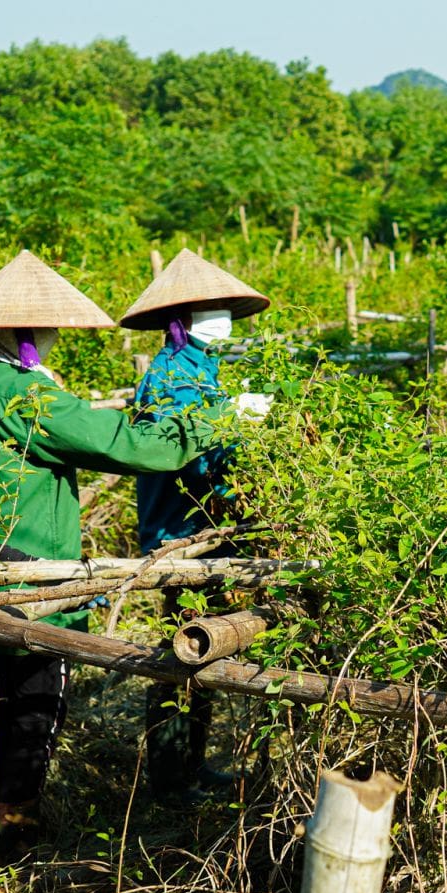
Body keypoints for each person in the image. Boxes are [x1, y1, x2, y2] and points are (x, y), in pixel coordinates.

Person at [0, 250, 241, 829]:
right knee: (34, 710)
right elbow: (134, 445)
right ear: (20, 330)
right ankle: (5, 844)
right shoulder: (23, 392)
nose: (51, 337)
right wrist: (216, 424)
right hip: (31, 571)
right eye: (46, 328)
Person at [118, 250, 271, 801]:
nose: (222, 317)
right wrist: (229, 417)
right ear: (182, 316)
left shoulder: (202, 367)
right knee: (182, 650)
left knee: (202, 649)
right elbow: (178, 449)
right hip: (179, 533)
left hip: (206, 530)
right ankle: (169, 777)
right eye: (212, 308)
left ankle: (190, 763)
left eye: (225, 307)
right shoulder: (170, 375)